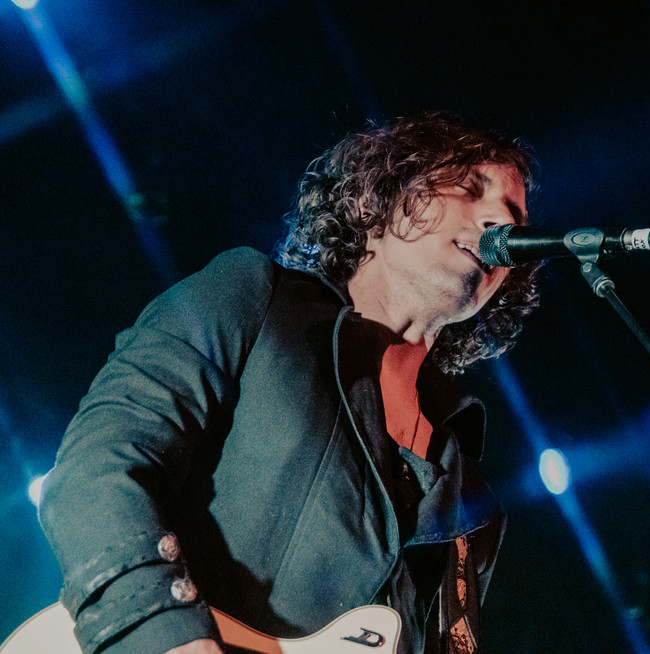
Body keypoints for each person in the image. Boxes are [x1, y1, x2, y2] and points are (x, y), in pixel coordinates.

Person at [39, 112, 540, 654]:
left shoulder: (470, 499)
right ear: (374, 202)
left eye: (515, 216)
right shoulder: (252, 298)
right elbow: (98, 469)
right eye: (471, 188)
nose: (500, 220)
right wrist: (164, 636)